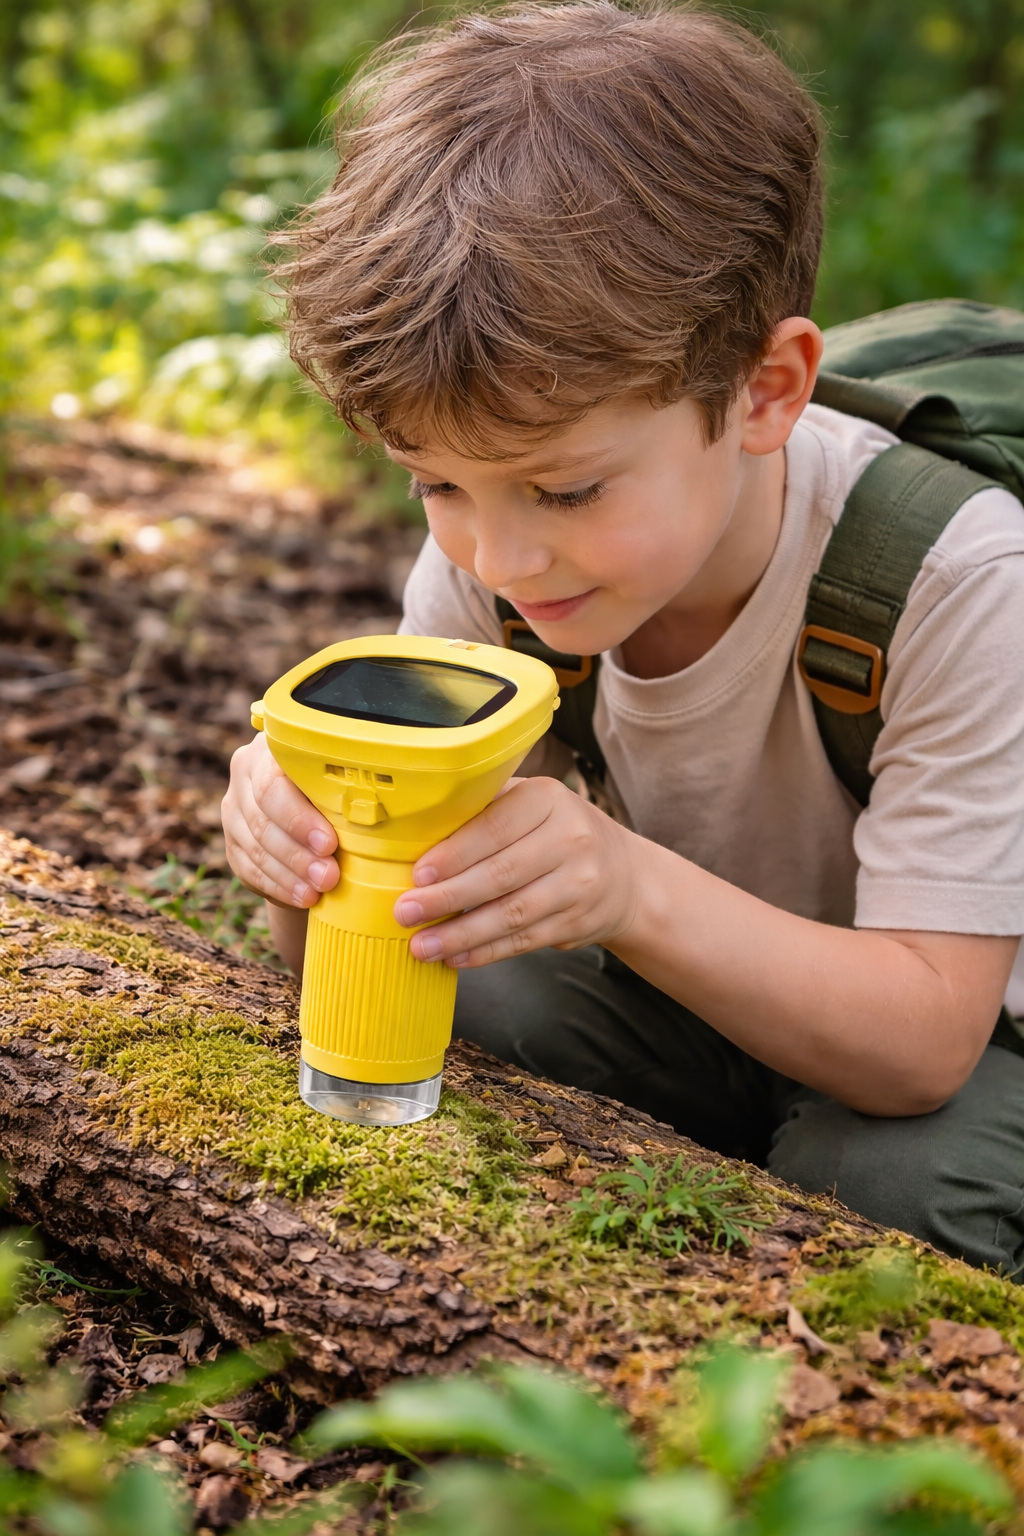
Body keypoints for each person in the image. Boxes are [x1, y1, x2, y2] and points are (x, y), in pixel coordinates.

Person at [221, 1, 1024, 1273]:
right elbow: (351, 948)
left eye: (567, 490)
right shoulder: (498, 566)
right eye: (436, 483)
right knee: (460, 974)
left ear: (763, 392)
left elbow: (923, 1042)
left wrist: (625, 885)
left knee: (889, 1189)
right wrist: (307, 852)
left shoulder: (957, 578)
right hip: (698, 1003)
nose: (497, 558)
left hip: (958, 1040)